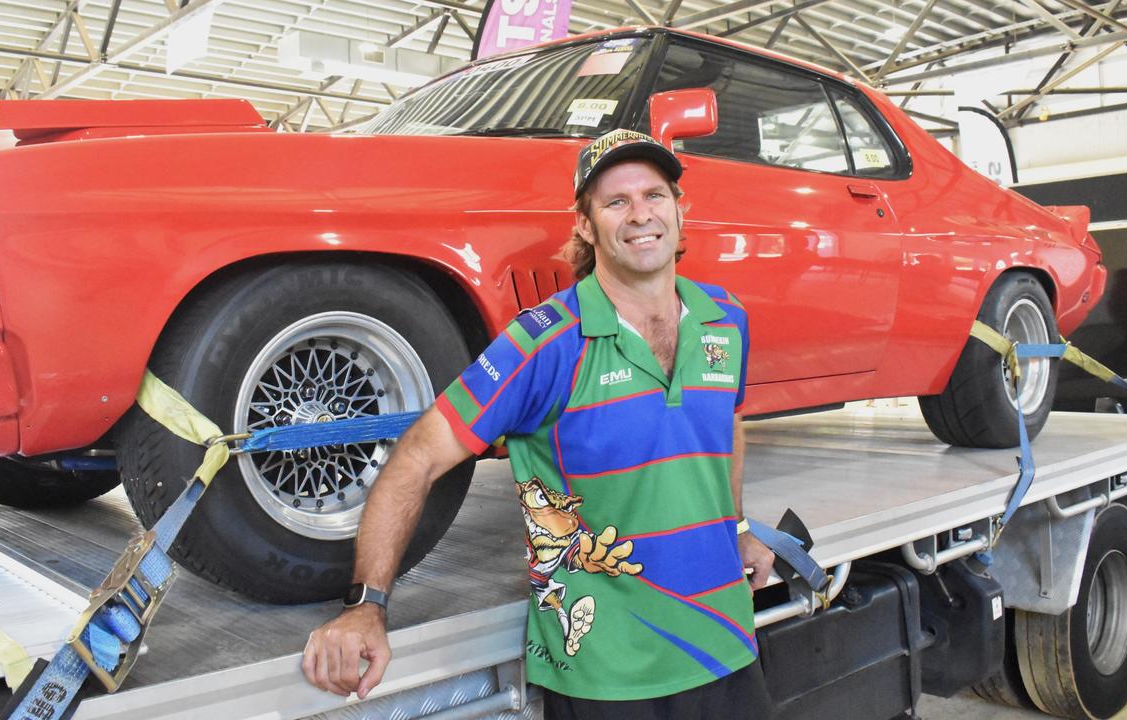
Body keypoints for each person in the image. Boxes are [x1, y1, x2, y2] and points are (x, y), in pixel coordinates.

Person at [301, 128, 776, 719]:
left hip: (724, 642)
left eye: (654, 195)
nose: (640, 215)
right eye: (616, 202)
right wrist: (366, 604)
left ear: (681, 210)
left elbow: (726, 425)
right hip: (605, 671)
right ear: (584, 225)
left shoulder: (725, 319)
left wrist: (735, 527)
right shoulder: (544, 341)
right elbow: (417, 457)